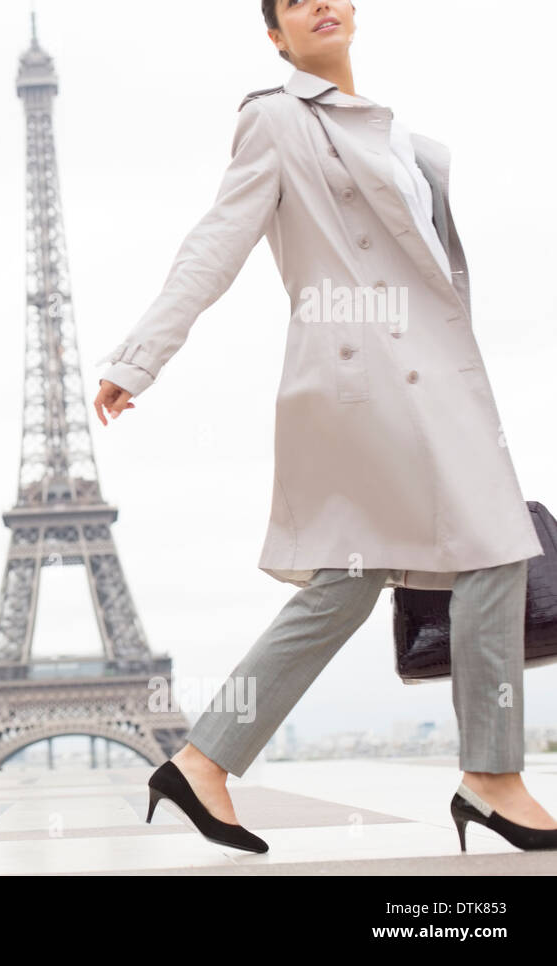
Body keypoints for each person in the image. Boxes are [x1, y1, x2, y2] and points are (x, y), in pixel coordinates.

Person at [92, 0, 557, 853]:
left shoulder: (402, 138)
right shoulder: (277, 120)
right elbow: (216, 241)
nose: (318, 3)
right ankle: (491, 779)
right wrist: (140, 355)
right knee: (496, 545)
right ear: (276, 36)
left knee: (351, 576)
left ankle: (201, 763)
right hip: (366, 378)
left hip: (432, 379)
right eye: (294, 0)